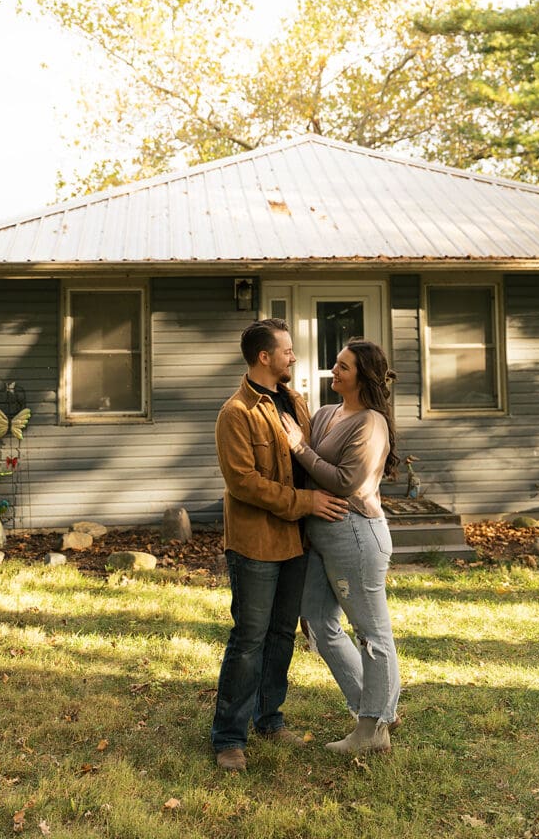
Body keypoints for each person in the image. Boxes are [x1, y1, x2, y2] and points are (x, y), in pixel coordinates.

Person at [211, 318, 349, 772]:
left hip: (295, 542)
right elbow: (244, 483)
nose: (294, 356)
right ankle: (229, 736)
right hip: (255, 543)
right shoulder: (236, 413)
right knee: (248, 638)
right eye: (287, 350)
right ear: (264, 357)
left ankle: (269, 719)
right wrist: (306, 501)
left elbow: (310, 460)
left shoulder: (295, 402)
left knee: (281, 634)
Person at [282, 337, 401, 755]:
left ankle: (372, 730)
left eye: (344, 367)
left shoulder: (370, 423)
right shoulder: (328, 412)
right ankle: (374, 710)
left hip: (355, 533)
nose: (335, 370)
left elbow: (346, 481)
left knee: (372, 633)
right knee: (316, 622)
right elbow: (311, 465)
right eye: (336, 363)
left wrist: (299, 445)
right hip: (321, 534)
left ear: (362, 377)